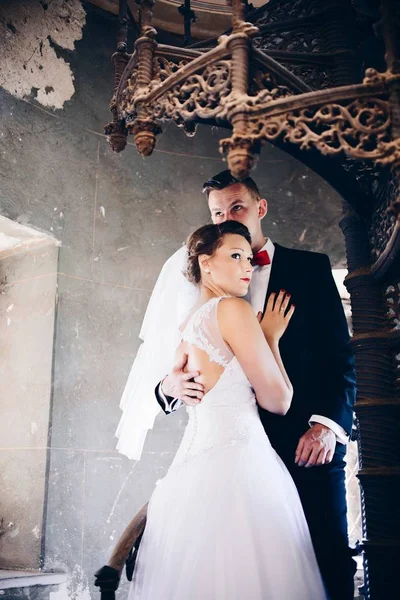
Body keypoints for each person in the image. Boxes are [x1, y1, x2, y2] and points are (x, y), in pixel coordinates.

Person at [117, 170, 357, 600]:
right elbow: (176, 367)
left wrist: (326, 426)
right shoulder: (211, 303)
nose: (228, 216)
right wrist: (169, 385)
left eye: (237, 207)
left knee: (327, 561)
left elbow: (340, 359)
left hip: (305, 446)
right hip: (237, 455)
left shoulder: (310, 269)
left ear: (260, 208)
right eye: (218, 212)